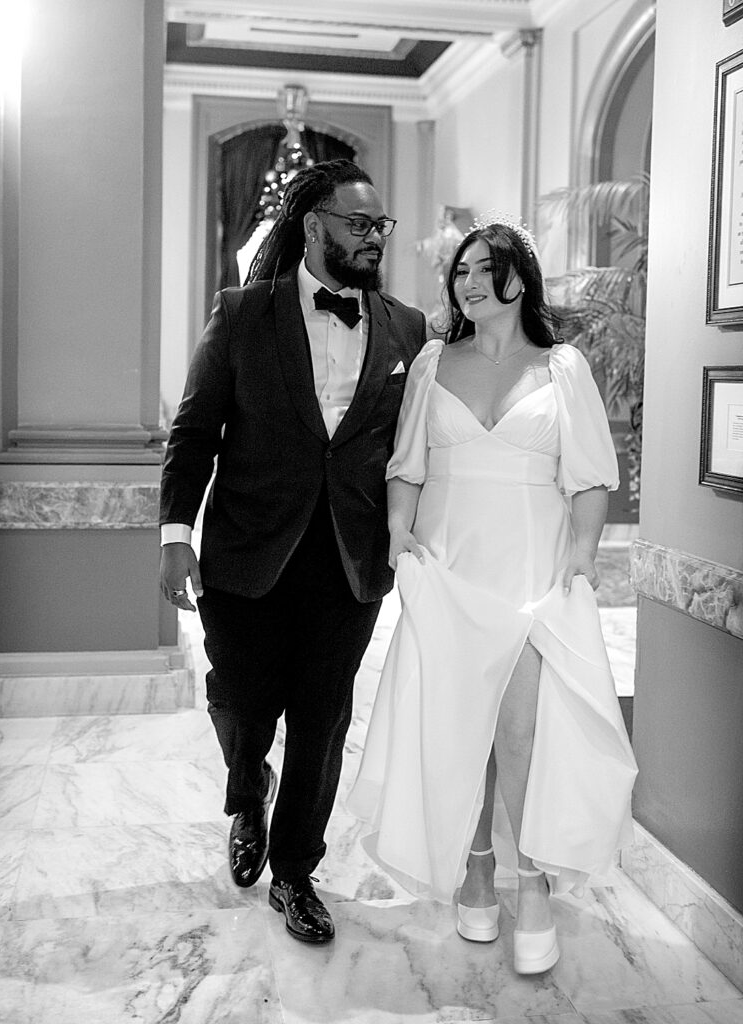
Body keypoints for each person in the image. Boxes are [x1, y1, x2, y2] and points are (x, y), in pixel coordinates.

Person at [347, 219, 638, 973]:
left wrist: (579, 557)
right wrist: (398, 538)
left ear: (519, 279)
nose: (467, 282)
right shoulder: (433, 364)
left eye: (483, 269)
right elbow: (405, 464)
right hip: (447, 572)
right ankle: (476, 865)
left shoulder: (563, 367)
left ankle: (532, 879)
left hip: (529, 576)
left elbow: (588, 478)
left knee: (517, 732)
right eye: (460, 272)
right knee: (458, 730)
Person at [159, 159, 427, 945]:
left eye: (380, 225)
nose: (374, 237)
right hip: (246, 552)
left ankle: (295, 873)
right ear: (314, 227)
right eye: (358, 224)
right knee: (242, 700)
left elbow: (416, 449)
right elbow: (193, 432)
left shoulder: (409, 329)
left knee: (322, 716)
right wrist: (177, 536)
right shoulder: (243, 313)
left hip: (350, 561)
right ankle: (248, 791)